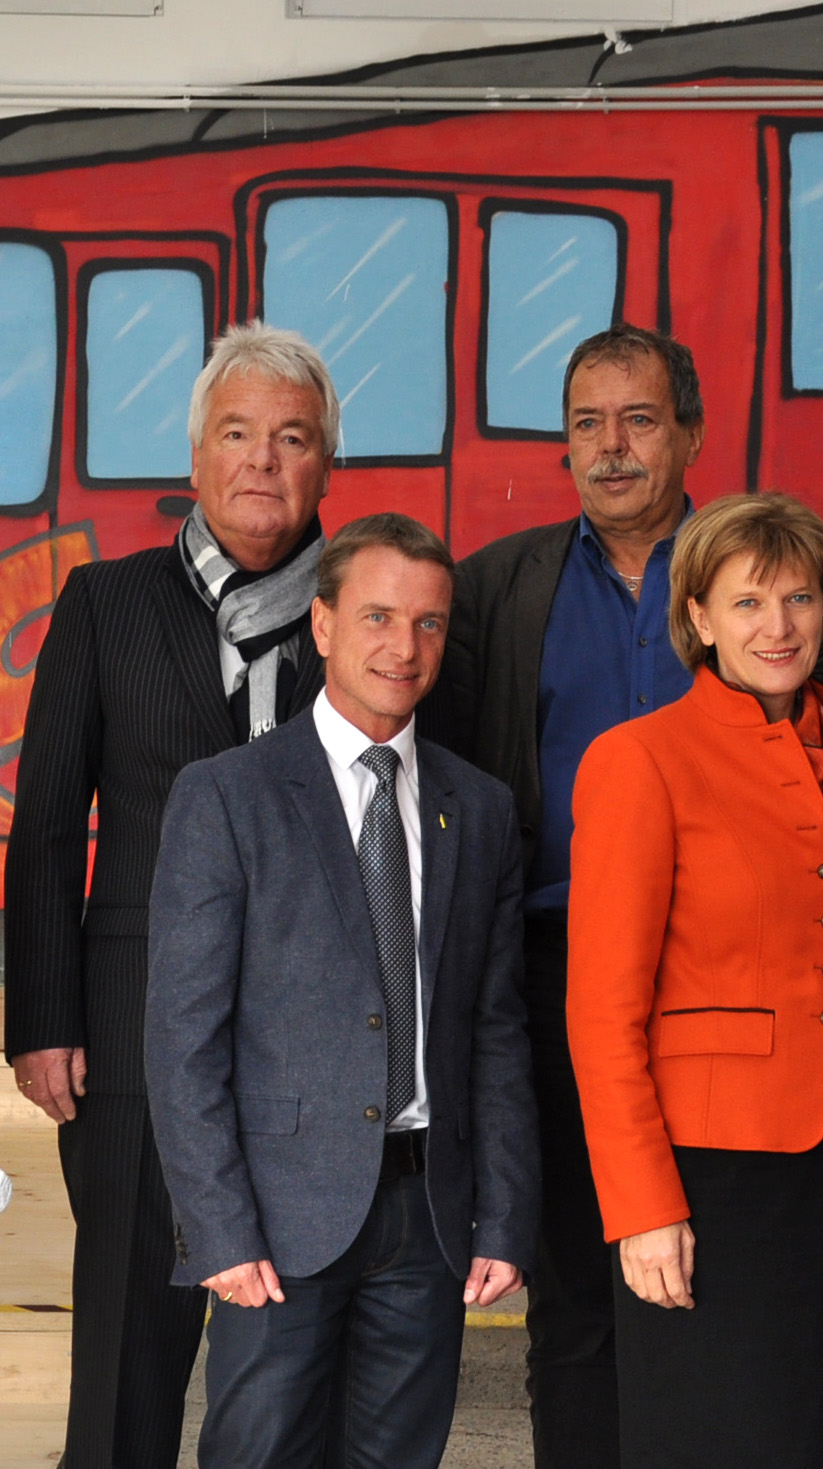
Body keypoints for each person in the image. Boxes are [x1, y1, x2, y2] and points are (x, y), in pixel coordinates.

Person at [3, 322, 334, 1469]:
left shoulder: (364, 617)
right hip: (134, 1039)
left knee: (290, 1371)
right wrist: (42, 1019)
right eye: (237, 434)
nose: (261, 461)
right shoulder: (106, 603)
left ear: (324, 464)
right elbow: (45, 825)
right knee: (125, 1365)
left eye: (291, 438)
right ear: (196, 457)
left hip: (311, 1060)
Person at [144, 513, 540, 1469]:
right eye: (376, 616)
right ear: (321, 624)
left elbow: (495, 1031)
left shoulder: (477, 808)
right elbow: (182, 1037)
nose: (404, 647)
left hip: (429, 1216)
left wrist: (506, 1211)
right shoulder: (225, 795)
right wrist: (219, 1229)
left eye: (430, 623)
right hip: (277, 1221)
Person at [565, 492, 823, 1467]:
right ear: (697, 617)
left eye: (800, 598)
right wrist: (642, 1205)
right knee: (714, 1434)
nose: (778, 626)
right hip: (708, 1174)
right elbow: (603, 1016)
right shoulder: (638, 760)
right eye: (747, 602)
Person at [423, 321, 719, 1468]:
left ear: (689, 433)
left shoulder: (750, 580)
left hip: (713, 977)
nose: (611, 447)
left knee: (706, 1266)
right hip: (551, 967)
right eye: (587, 423)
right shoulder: (500, 587)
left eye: (638, 419)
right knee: (578, 1280)